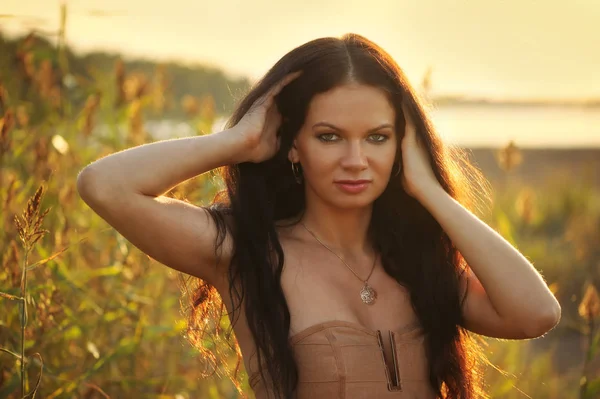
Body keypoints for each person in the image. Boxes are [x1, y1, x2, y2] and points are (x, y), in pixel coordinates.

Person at [76, 33, 561, 399]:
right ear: (293, 146)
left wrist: (429, 191)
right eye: (329, 136)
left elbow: (536, 313)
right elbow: (104, 185)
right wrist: (237, 142)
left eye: (377, 137)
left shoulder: (422, 263)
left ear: (402, 145)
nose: (356, 159)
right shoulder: (243, 250)